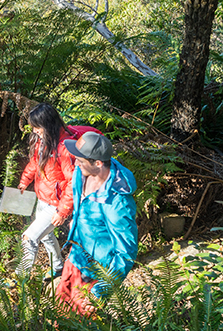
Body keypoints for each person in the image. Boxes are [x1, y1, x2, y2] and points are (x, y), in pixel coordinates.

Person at [15, 104, 99, 280]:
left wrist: (62, 211)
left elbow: (72, 182)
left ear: (48, 124)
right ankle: (58, 266)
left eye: (37, 127)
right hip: (43, 197)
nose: (34, 131)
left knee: (29, 238)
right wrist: (24, 182)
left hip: (56, 203)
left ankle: (19, 278)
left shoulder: (65, 148)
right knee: (46, 236)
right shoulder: (44, 140)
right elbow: (34, 163)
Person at [58, 131, 138, 315]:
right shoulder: (82, 173)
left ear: (98, 163)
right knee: (59, 314)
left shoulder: (118, 203)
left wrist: (101, 291)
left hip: (95, 273)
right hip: (75, 256)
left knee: (78, 323)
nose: (75, 163)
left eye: (80, 160)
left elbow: (126, 253)